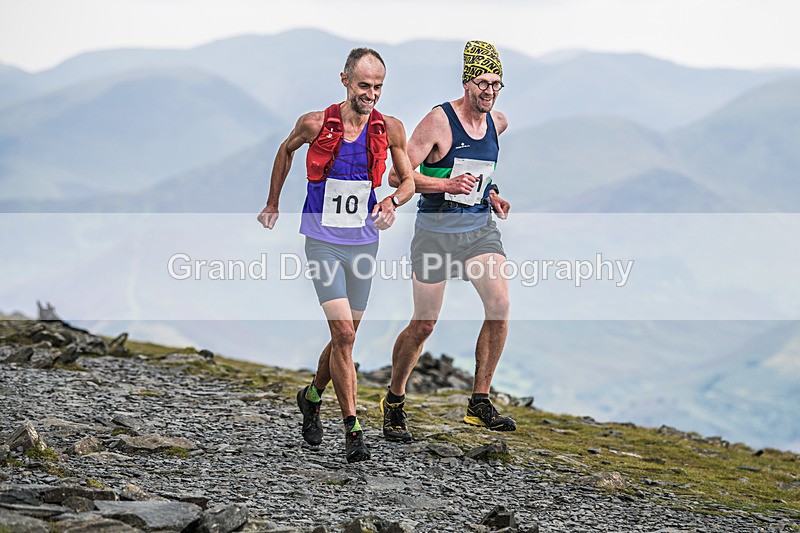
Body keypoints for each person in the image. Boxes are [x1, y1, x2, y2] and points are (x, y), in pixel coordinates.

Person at [257, 48, 416, 463]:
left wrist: (392, 203)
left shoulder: (391, 128)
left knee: (344, 336)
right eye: (364, 85)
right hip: (323, 241)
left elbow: (408, 183)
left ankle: (311, 396)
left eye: (378, 86)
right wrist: (273, 203)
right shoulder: (314, 123)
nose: (372, 94)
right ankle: (353, 429)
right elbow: (285, 151)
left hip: (364, 243)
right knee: (344, 335)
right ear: (344, 80)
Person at [380, 40, 515, 442]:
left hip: (478, 230)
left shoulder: (498, 123)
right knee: (423, 324)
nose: (489, 91)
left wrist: (491, 193)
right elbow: (397, 177)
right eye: (482, 83)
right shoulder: (438, 122)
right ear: (466, 82)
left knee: (500, 304)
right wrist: (445, 184)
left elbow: (480, 172)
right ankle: (395, 400)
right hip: (436, 234)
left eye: (497, 84)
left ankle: (479, 402)